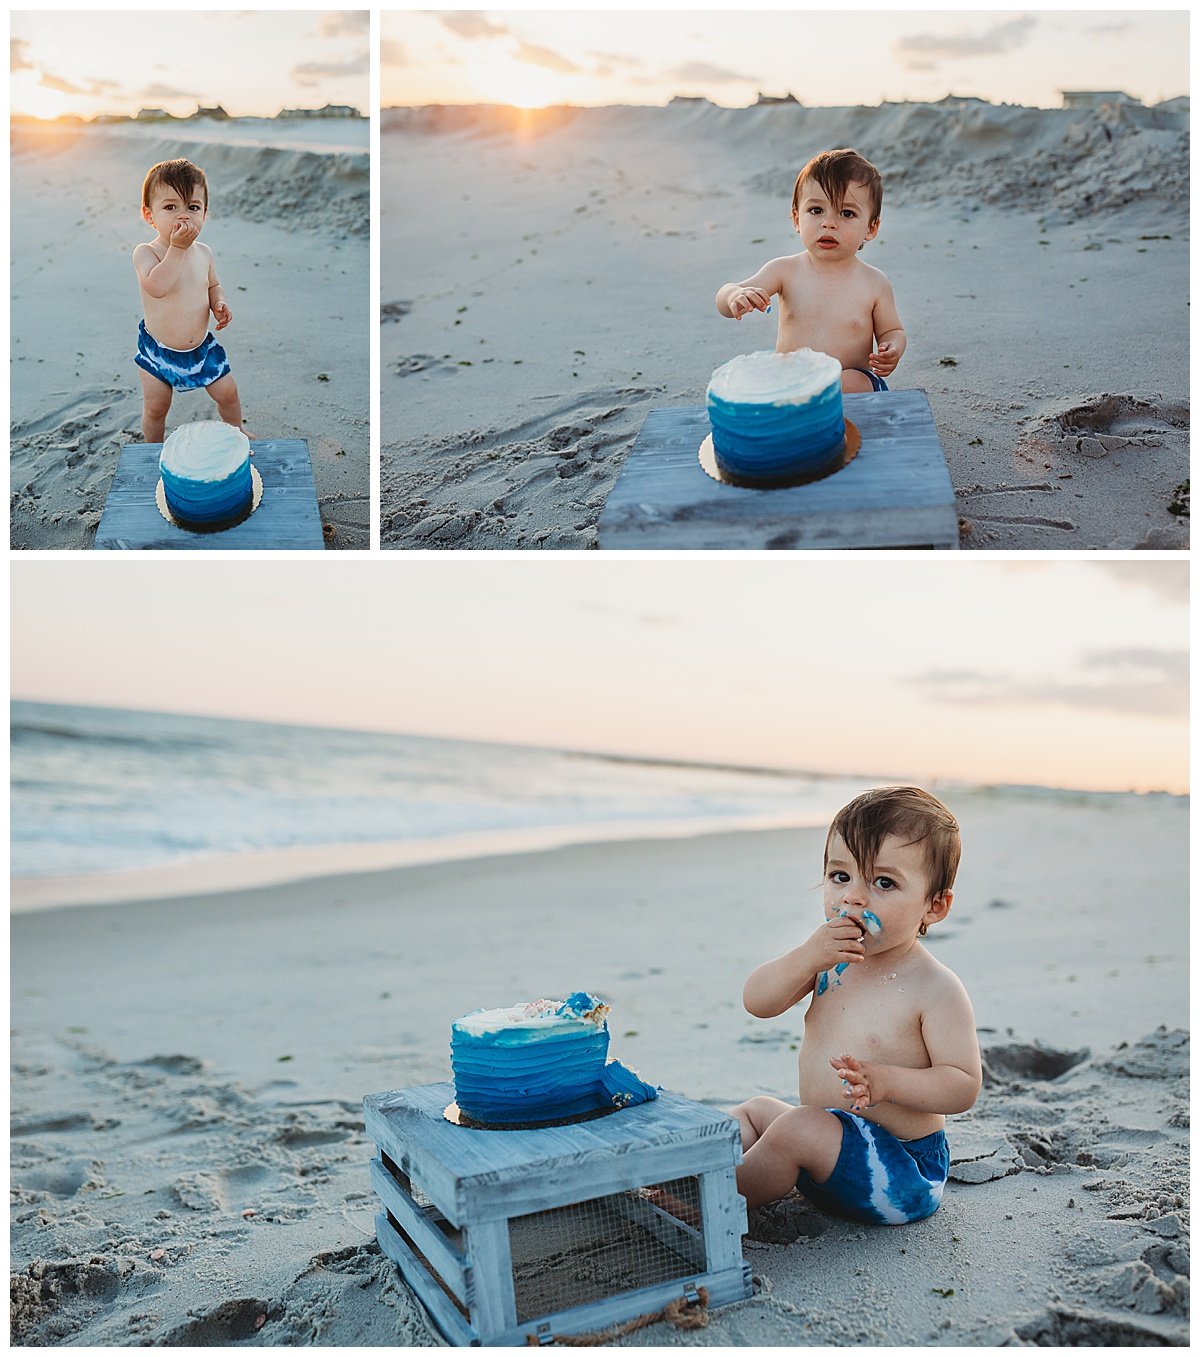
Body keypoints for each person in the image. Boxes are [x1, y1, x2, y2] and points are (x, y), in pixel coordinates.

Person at [732, 786, 981, 1224]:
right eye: (840, 876)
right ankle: (688, 1170)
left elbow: (962, 1085)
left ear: (935, 905)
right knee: (756, 1112)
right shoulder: (827, 961)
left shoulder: (934, 987)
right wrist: (805, 958)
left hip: (900, 1175)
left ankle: (710, 1203)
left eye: (883, 882)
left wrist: (888, 1082)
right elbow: (758, 1002)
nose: (853, 898)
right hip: (824, 1156)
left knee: (798, 1127)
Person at [714, 148, 905, 393]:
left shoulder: (874, 282)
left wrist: (892, 348)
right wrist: (734, 296)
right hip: (793, 383)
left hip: (851, 383)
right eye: (816, 210)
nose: (829, 223)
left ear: (871, 228)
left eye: (847, 213)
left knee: (850, 382)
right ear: (796, 219)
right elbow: (724, 299)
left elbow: (892, 330)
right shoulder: (784, 270)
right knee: (752, 381)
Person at [132, 159, 245, 442]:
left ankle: (237, 433)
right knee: (156, 407)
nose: (183, 216)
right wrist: (178, 249)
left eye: (192, 207)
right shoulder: (146, 252)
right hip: (158, 352)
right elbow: (157, 287)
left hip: (201, 349)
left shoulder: (204, 253)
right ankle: (152, 447)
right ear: (149, 215)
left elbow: (213, 284)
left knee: (228, 393)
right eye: (170, 207)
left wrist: (218, 302)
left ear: (204, 214)